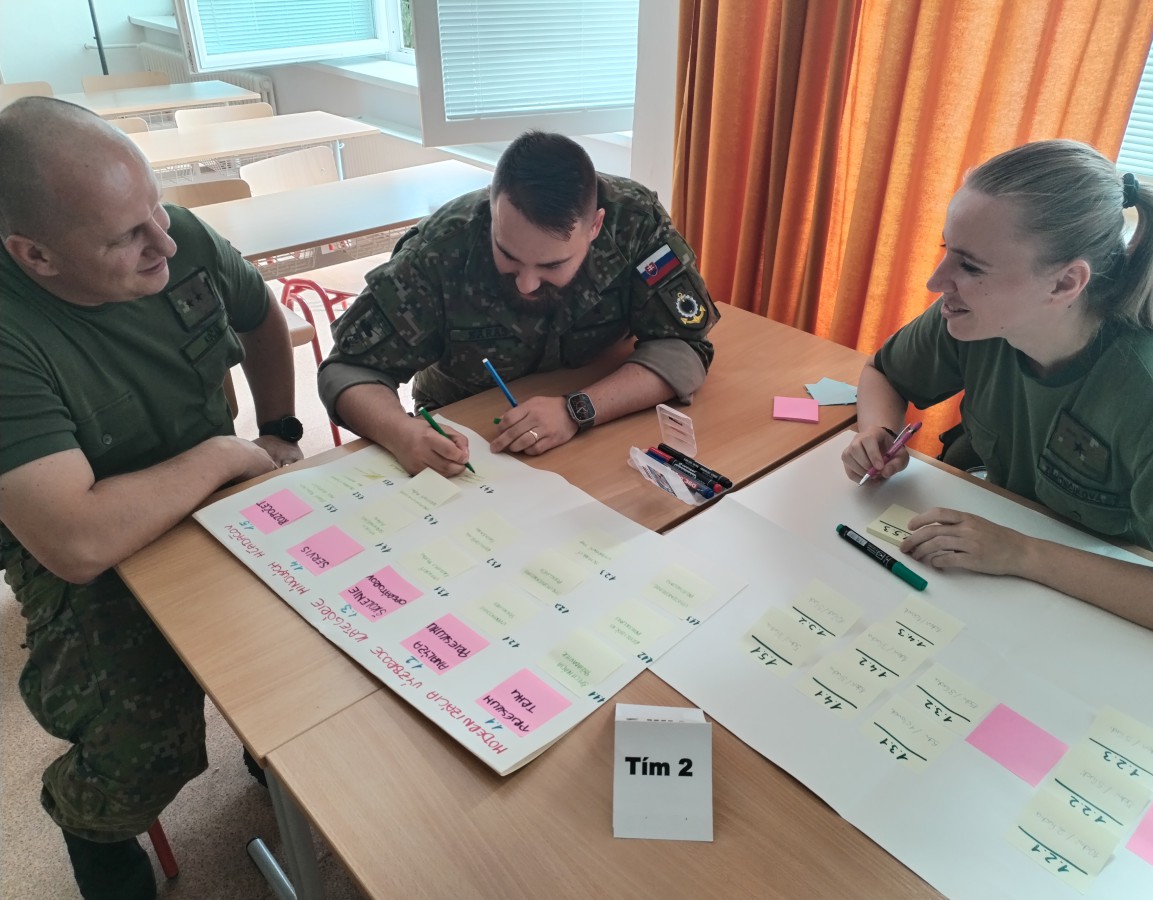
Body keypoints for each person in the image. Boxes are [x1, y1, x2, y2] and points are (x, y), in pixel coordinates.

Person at [0, 97, 306, 899]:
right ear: (36, 256)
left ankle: (271, 756)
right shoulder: (10, 334)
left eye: (156, 208)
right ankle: (92, 826)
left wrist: (279, 428)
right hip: (87, 554)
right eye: (127, 235)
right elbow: (75, 541)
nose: (165, 242)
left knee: (309, 639)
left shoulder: (179, 237)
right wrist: (224, 453)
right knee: (143, 742)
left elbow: (260, 316)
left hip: (215, 487)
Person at [843, 139, 1153, 645]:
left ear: (1064, 283)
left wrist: (1022, 553)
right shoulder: (975, 320)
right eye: (946, 251)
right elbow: (884, 373)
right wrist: (876, 431)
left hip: (1096, 605)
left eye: (971, 267)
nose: (936, 282)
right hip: (990, 556)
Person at [317, 130, 719, 476]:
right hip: (467, 432)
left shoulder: (634, 222)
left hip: (597, 408)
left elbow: (684, 346)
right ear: (492, 212)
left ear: (595, 226)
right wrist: (402, 434)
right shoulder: (441, 249)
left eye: (552, 264)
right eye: (508, 255)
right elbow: (346, 369)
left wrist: (578, 409)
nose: (527, 284)